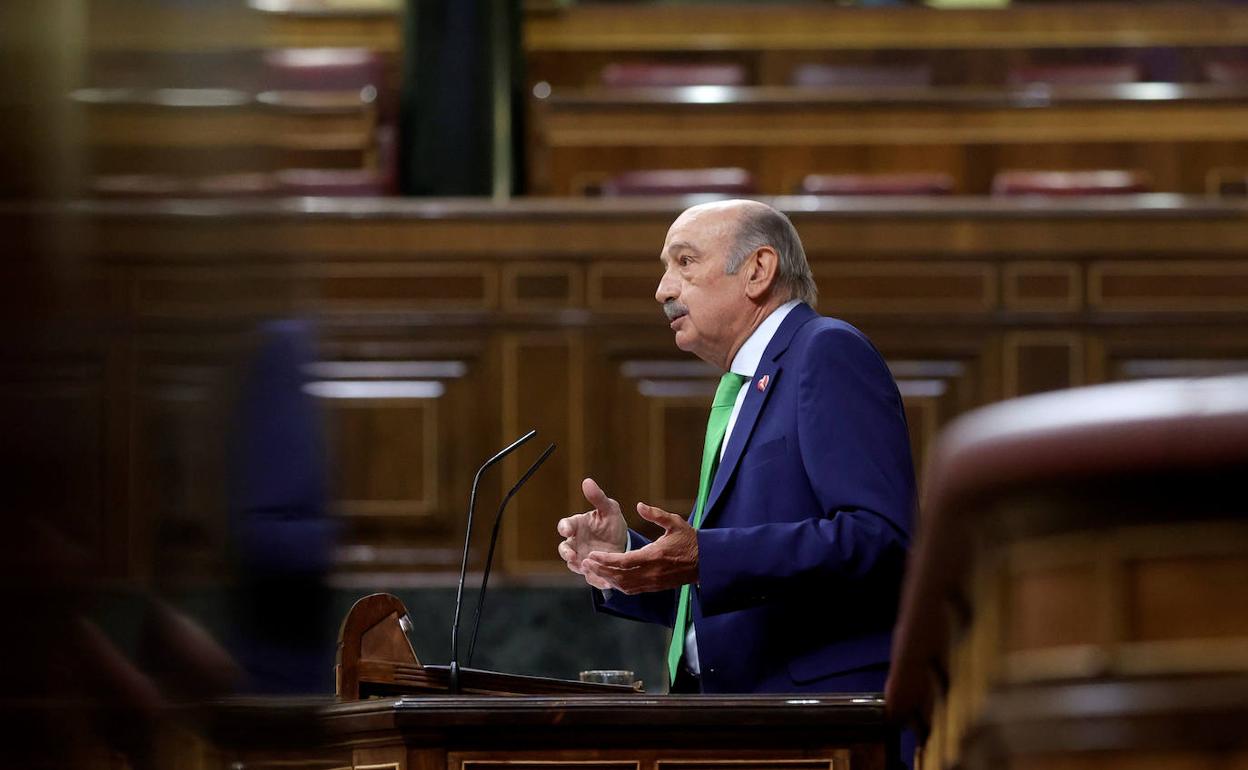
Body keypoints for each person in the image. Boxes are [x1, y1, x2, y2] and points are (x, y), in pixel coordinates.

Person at [557, 199, 916, 694]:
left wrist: (706, 556)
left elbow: (879, 538)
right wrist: (628, 558)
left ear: (758, 270)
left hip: (816, 718)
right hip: (733, 710)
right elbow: (741, 590)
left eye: (684, 262)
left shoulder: (825, 351)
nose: (663, 290)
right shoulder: (747, 384)